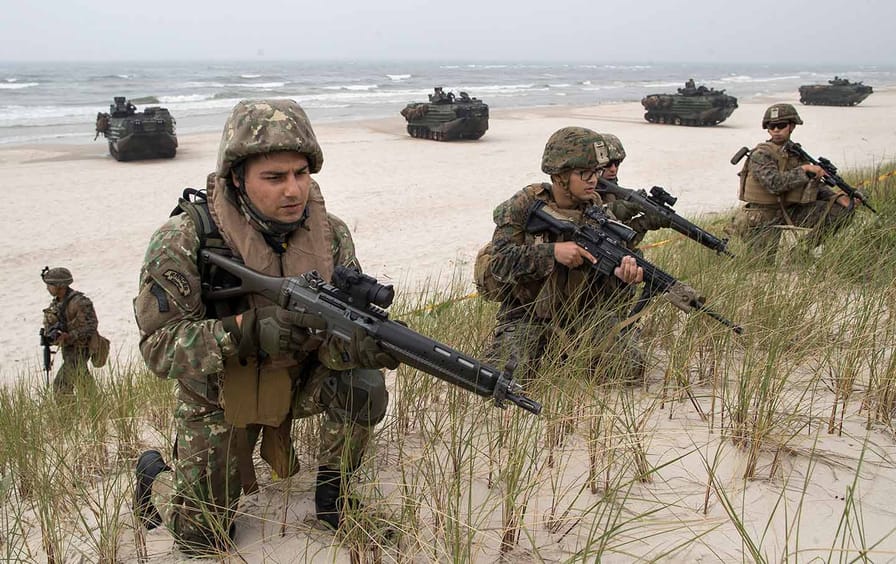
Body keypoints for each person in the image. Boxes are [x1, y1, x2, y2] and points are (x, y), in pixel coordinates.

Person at [132, 99, 396, 555]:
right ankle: (155, 474)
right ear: (237, 177)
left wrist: (360, 347)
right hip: (219, 395)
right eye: (274, 178)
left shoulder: (330, 234)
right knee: (204, 540)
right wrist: (247, 329)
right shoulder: (184, 239)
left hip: (300, 378)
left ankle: (335, 499)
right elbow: (159, 347)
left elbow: (338, 336)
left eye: (301, 173)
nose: (293, 190)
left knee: (362, 383)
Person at [475, 127, 646, 386]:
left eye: (596, 172)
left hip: (585, 315)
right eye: (584, 173)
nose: (593, 180)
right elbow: (500, 262)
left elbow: (624, 260)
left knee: (628, 367)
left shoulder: (598, 211)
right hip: (528, 314)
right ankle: (548, 349)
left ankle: (563, 351)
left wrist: (623, 275)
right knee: (505, 378)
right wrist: (553, 252)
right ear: (559, 176)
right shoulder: (525, 205)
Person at [728, 103, 854, 258]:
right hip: (762, 216)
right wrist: (805, 170)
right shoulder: (761, 154)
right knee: (760, 265)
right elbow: (774, 184)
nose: (776, 130)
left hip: (790, 209)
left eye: (781, 125)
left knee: (841, 213)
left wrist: (836, 197)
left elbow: (811, 182)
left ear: (792, 126)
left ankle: (800, 252)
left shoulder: (794, 152)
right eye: (771, 126)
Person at [597, 133, 671, 246]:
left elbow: (621, 244)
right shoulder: (582, 192)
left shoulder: (612, 190)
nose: (613, 169)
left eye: (617, 163)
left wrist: (644, 223)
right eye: (608, 164)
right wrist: (616, 209)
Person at [41, 266, 99, 394]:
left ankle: (69, 412)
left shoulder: (80, 302)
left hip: (81, 348)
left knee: (60, 387)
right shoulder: (56, 303)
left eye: (50, 284)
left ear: (60, 285)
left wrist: (69, 336)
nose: (47, 288)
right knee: (83, 382)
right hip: (69, 350)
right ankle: (96, 408)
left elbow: (91, 325)